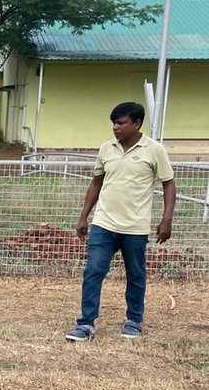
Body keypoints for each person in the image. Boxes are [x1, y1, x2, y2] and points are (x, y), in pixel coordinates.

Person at [65, 102, 176, 343]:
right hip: (103, 224)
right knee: (93, 271)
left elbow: (168, 183)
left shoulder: (154, 150)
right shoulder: (106, 149)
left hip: (135, 227)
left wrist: (167, 219)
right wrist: (84, 215)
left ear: (137, 124)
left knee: (136, 275)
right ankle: (85, 324)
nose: (116, 127)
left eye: (121, 123)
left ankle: (134, 321)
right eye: (114, 123)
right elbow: (96, 183)